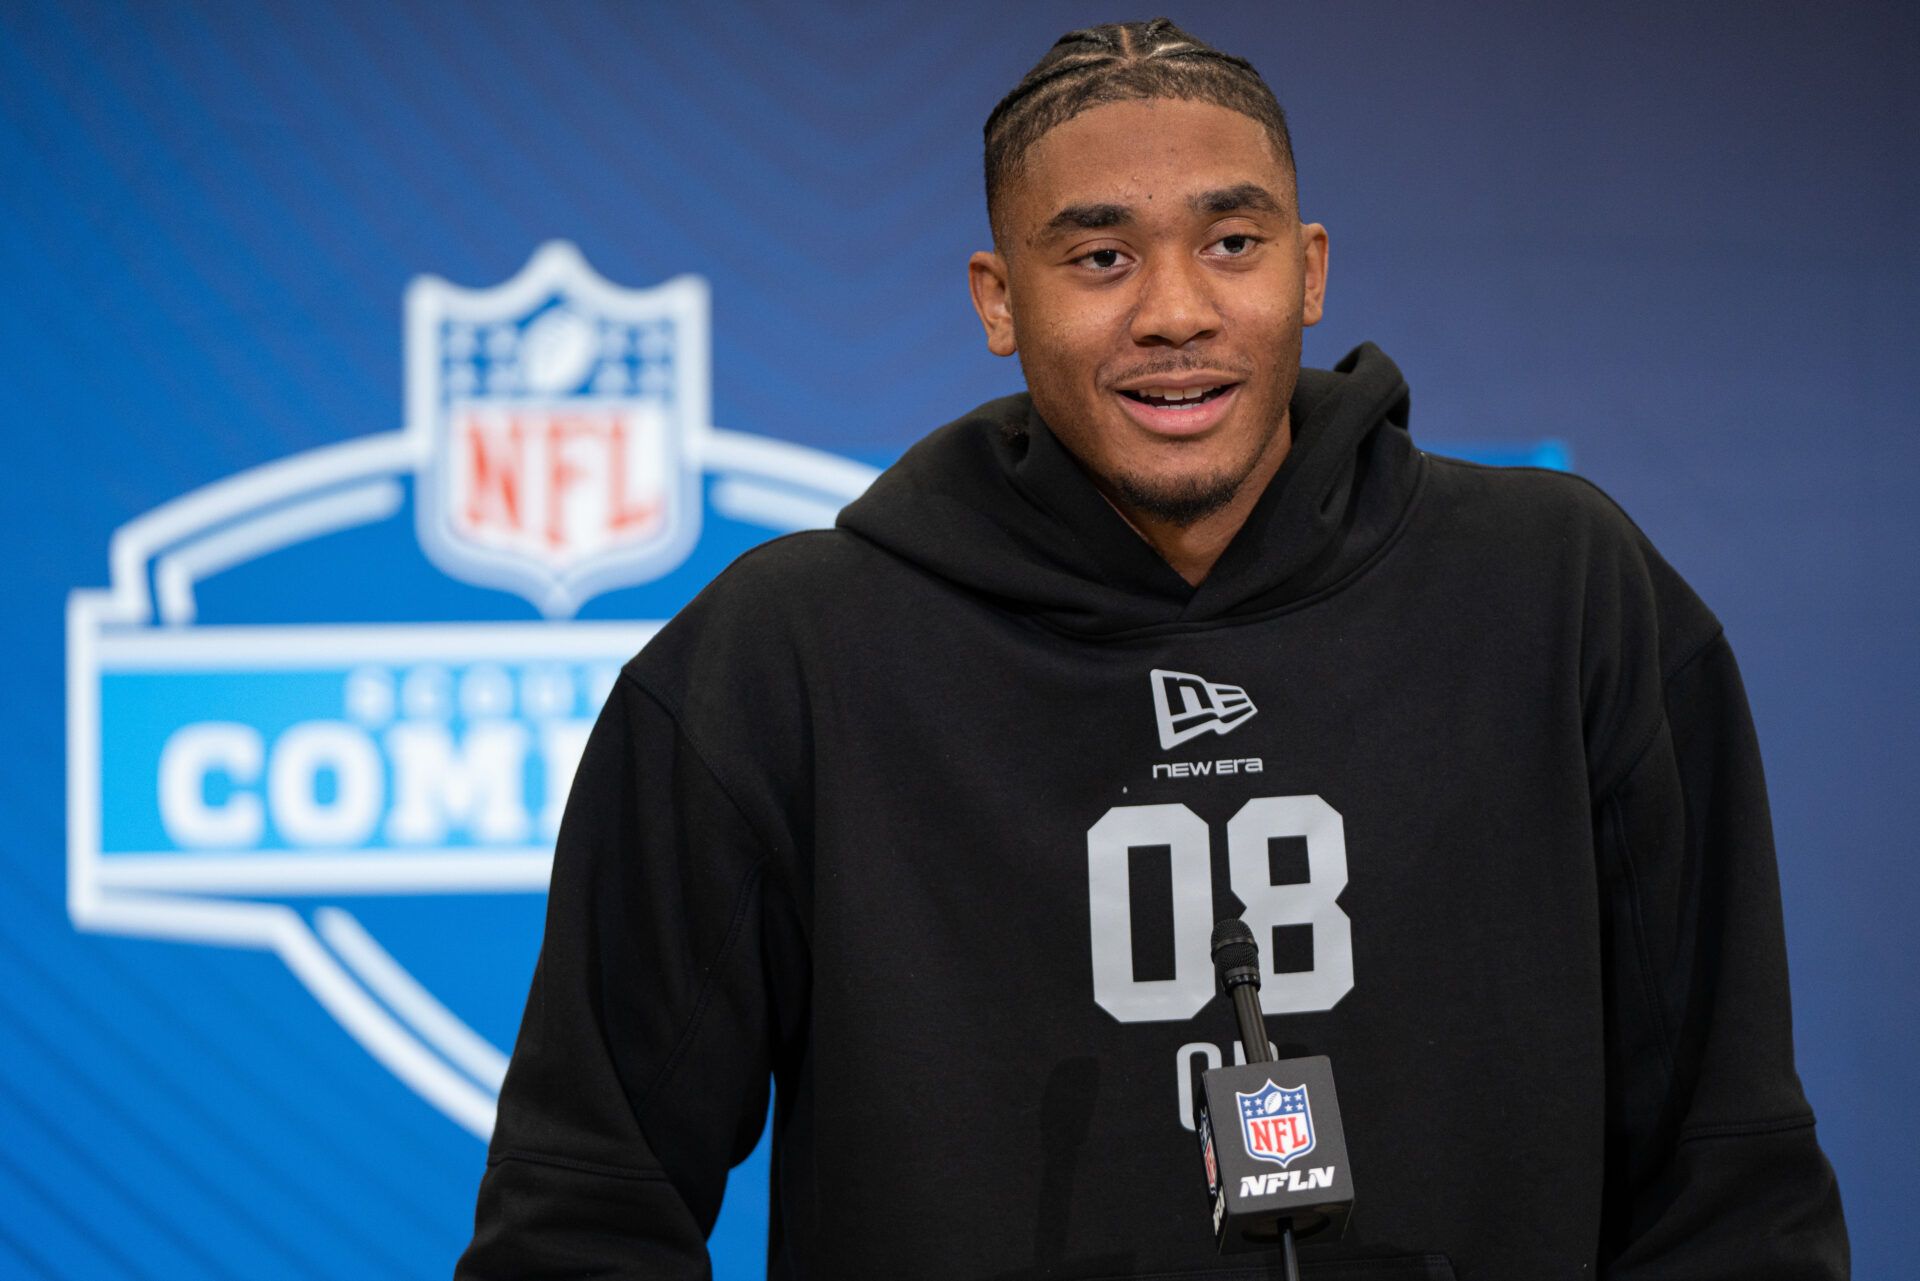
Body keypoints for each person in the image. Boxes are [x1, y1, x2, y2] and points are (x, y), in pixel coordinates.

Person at [457, 18, 1848, 1279]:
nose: (1176, 310)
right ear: (999, 299)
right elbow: (583, 1215)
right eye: (1101, 256)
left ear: (1309, 273)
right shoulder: (784, 659)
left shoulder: (1565, 593)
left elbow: (1732, 1182)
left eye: (1231, 244)